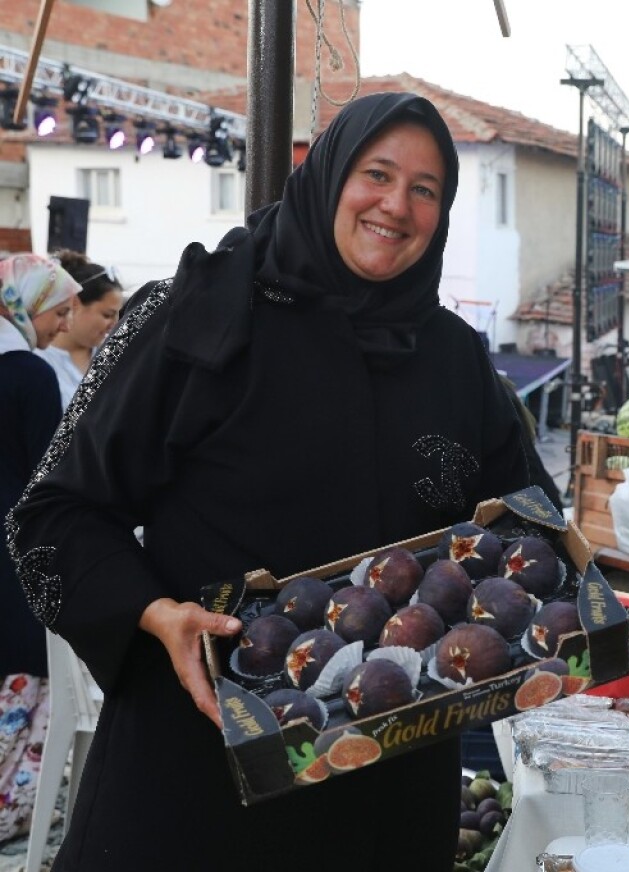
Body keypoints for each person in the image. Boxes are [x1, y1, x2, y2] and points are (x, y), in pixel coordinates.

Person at [8, 92, 543, 870]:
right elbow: (52, 515)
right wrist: (153, 613)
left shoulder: (457, 360)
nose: (396, 205)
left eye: (425, 190)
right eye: (377, 174)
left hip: (383, 784)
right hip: (199, 762)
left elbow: (527, 525)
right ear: (327, 176)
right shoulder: (196, 314)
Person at [0, 254, 78, 843]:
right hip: (13, 558)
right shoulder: (27, 373)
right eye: (59, 307)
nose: (64, 320)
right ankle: (13, 809)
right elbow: (49, 479)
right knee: (32, 679)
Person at [34, 250, 125, 409]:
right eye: (107, 315)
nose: (114, 324)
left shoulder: (114, 357)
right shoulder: (36, 358)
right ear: (75, 303)